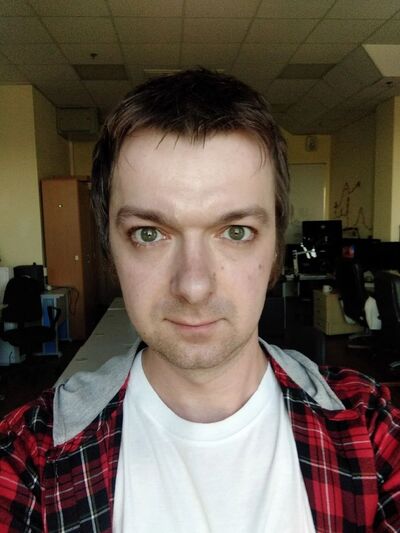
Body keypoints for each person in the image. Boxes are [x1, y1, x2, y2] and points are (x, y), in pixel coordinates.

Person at [0, 69, 399, 533]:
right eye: (149, 234)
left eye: (236, 232)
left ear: (275, 248)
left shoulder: (371, 430)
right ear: (110, 251)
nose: (193, 287)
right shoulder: (30, 457)